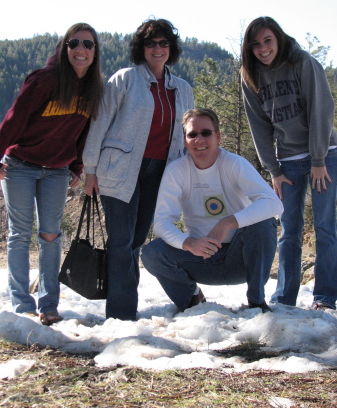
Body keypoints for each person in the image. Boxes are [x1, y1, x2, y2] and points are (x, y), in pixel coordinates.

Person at [83, 18, 194, 321]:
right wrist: (90, 169)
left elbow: (187, 136)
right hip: (119, 171)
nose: (157, 49)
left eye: (163, 43)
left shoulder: (182, 88)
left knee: (135, 242)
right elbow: (99, 123)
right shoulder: (125, 79)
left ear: (171, 48)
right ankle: (121, 316)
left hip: (161, 173)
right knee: (121, 241)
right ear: (141, 48)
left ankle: (123, 307)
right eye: (150, 43)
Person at [0, 23, 103, 325]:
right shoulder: (45, 80)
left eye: (88, 44)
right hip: (20, 164)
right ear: (65, 48)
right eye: (74, 43)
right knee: (20, 235)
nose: (80, 49)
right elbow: (14, 119)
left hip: (57, 169)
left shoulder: (94, 89)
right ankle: (22, 305)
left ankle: (48, 305)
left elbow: (86, 131)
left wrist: (77, 166)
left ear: (95, 51)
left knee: (50, 236)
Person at [141, 108, 283, 313]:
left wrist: (227, 223)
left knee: (264, 222)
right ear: (185, 140)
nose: (199, 140)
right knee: (152, 252)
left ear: (217, 137)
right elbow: (162, 222)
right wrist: (189, 244)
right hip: (201, 257)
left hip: (241, 257)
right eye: (192, 134)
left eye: (206, 133)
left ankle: (256, 302)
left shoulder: (235, 164)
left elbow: (274, 203)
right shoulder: (176, 171)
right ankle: (191, 299)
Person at [241, 16, 337, 310]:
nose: (263, 48)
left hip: (325, 155)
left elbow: (321, 108)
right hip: (289, 161)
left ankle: (325, 298)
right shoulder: (251, 74)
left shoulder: (301, 63)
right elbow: (258, 126)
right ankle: (284, 297)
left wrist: (318, 159)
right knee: (289, 229)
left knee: (324, 227)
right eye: (255, 44)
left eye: (268, 40)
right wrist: (274, 170)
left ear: (278, 39)